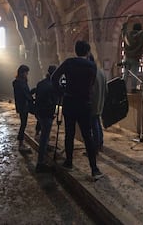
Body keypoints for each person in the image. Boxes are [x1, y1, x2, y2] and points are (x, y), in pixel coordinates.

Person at [51, 40, 104, 180]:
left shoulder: (69, 62)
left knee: (69, 133)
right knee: (88, 136)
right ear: (87, 52)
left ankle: (69, 162)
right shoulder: (92, 66)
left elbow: (54, 77)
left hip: (69, 101)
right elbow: (91, 84)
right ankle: (94, 169)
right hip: (84, 104)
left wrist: (61, 91)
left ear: (76, 51)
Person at [35, 65, 58, 173]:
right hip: (46, 114)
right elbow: (52, 102)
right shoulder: (52, 86)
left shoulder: (41, 83)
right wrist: (52, 114)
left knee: (45, 135)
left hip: (39, 113)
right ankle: (40, 163)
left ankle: (44, 151)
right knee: (44, 138)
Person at [89, 54, 107, 153]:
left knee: (94, 125)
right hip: (100, 102)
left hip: (92, 103)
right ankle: (100, 143)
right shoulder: (102, 72)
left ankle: (95, 147)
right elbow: (107, 90)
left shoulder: (91, 72)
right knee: (98, 123)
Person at [12, 65, 33, 152]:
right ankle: (21, 144)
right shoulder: (18, 82)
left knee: (24, 123)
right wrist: (31, 99)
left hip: (23, 105)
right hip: (23, 106)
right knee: (23, 124)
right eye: (26, 73)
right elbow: (24, 94)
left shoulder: (21, 81)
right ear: (22, 72)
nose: (27, 74)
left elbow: (27, 92)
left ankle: (21, 141)